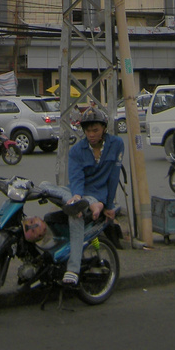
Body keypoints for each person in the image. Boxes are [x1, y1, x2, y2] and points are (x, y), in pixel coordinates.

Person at [39, 105, 123, 287]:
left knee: (75, 215)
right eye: (88, 130)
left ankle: (73, 269)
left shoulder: (116, 144)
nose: (91, 134)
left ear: (103, 129)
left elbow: (114, 177)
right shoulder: (76, 151)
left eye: (95, 130)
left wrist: (108, 205)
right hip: (76, 191)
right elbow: (76, 178)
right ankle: (78, 203)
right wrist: (76, 196)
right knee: (44, 186)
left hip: (97, 194)